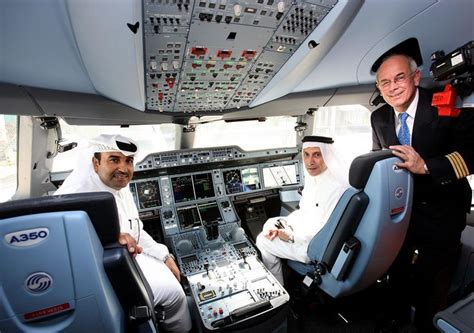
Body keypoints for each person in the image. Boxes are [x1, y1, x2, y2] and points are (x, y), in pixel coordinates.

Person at [371, 53, 474, 332]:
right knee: (397, 269)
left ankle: (427, 325)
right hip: (402, 213)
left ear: (416, 77)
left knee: (434, 280)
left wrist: (426, 165)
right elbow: (377, 157)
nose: (393, 87)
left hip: (443, 210)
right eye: (385, 83)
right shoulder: (379, 117)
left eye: (399, 78)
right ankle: (398, 316)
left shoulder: (446, 104)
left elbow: (471, 155)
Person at [55, 134, 192, 333]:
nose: (123, 168)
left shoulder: (118, 185)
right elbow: (62, 248)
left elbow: (136, 229)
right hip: (101, 272)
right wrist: (106, 238)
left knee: (171, 273)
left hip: (127, 256)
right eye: (114, 159)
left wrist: (164, 255)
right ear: (95, 163)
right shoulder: (75, 196)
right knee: (174, 293)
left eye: (128, 161)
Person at [256, 136, 349, 285]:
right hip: (305, 234)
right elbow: (304, 212)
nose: (310, 161)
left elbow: (327, 232)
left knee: (263, 240)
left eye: (317, 155)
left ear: (327, 155)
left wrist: (292, 237)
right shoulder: (316, 178)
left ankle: (279, 290)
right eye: (306, 154)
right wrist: (283, 225)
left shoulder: (337, 189)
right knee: (270, 223)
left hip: (313, 249)